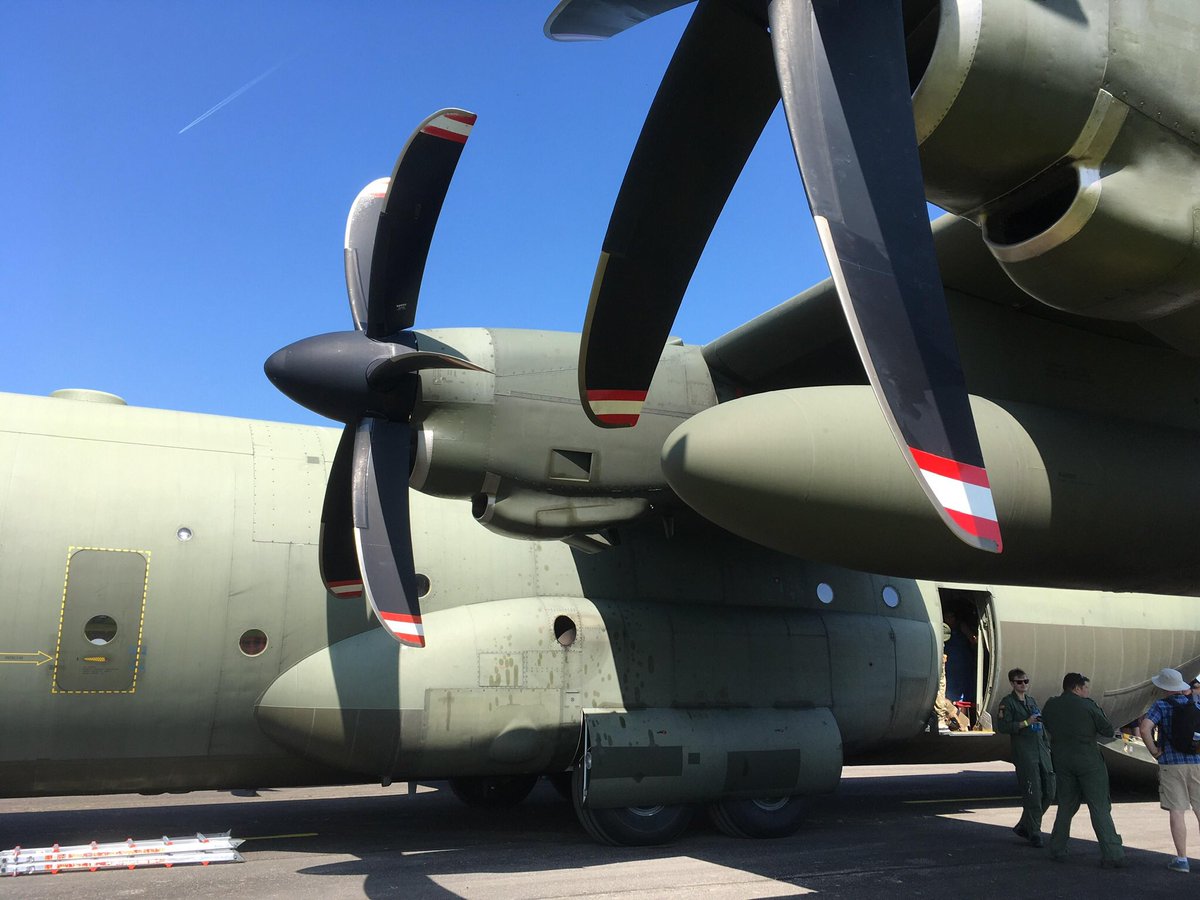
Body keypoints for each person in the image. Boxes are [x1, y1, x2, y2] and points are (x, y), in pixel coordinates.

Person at [1041, 672, 1127, 867]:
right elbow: (1106, 729)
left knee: (1066, 805)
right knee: (1099, 807)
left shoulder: (1051, 705)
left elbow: (1047, 723)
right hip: (1088, 761)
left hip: (1062, 760)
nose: (1087, 691)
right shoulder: (1087, 705)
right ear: (1077, 688)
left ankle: (1057, 848)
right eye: (1085, 688)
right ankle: (1112, 853)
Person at [1138, 667, 1200, 873]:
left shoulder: (1161, 705)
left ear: (1163, 687)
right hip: (1197, 762)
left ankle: (1182, 859)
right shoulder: (1196, 704)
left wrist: (1155, 751)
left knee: (1177, 811)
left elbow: (1146, 728)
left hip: (1171, 764)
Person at [995, 668, 1055, 847]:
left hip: (1041, 750)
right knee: (1033, 793)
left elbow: (1041, 724)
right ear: (1013, 684)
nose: (1024, 685)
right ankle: (1035, 832)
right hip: (1025, 753)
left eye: (1026, 681)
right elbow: (1004, 726)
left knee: (1050, 791)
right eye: (1020, 682)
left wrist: (1047, 745)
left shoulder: (1031, 701)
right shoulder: (1008, 703)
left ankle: (1025, 825)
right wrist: (1026, 722)